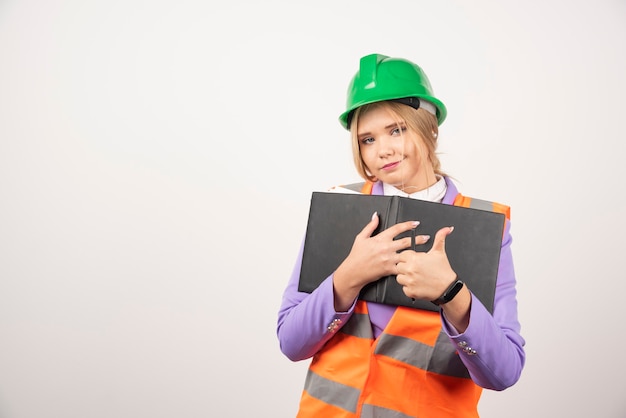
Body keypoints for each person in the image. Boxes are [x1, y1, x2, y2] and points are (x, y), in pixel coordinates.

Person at [276, 53, 525, 418]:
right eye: (368, 139)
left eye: (397, 129)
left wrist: (451, 294)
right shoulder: (340, 210)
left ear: (430, 127)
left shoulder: (486, 228)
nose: (384, 150)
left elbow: (505, 372)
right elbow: (290, 343)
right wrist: (348, 276)